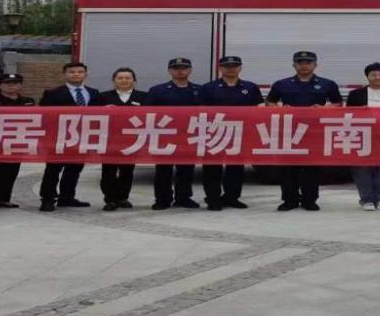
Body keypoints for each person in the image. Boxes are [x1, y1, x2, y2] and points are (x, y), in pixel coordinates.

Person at [266, 51, 343, 212]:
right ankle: (289, 200)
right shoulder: (282, 84)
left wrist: (324, 108)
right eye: (300, 62)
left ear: (315, 65)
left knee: (312, 167)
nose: (304, 65)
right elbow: (270, 103)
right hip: (289, 131)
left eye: (308, 62)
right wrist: (281, 109)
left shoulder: (328, 84)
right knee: (287, 168)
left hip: (314, 131)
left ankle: (310, 200)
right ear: (294, 65)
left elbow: (337, 103)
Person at [200, 56, 263, 210]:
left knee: (236, 168)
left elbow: (259, 109)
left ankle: (232, 198)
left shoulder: (250, 87)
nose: (230, 69)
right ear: (220, 68)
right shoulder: (208, 88)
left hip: (240, 133)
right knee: (212, 168)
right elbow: (200, 111)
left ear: (240, 68)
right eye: (227, 66)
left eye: (234, 66)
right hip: (214, 133)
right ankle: (213, 199)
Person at [38, 62, 100, 212]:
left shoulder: (94, 93)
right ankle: (47, 199)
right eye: (72, 72)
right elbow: (44, 116)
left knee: (74, 169)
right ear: (65, 74)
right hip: (58, 138)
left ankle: (67, 198)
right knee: (53, 170)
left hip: (83, 138)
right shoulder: (52, 93)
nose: (76, 74)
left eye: (80, 72)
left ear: (85, 74)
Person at [145, 58, 203, 210]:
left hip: (189, 135)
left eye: (184, 68)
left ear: (190, 70)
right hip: (165, 135)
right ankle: (162, 199)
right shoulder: (158, 90)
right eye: (176, 68)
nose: (180, 71)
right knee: (163, 170)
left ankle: (183, 198)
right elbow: (147, 113)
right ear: (169, 71)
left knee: (186, 169)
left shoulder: (199, 90)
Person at [346, 62, 380, 210]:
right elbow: (347, 115)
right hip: (362, 134)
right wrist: (359, 112)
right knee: (362, 167)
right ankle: (366, 199)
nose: (377, 77)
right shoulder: (356, 94)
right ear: (367, 76)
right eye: (373, 74)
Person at [0, 72, 35, 210]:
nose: (11, 86)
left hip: (16, 141)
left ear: (20, 85)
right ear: (0, 85)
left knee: (11, 171)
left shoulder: (28, 102)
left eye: (15, 83)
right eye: (7, 83)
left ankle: (4, 198)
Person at [94, 67, 145, 212]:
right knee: (108, 171)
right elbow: (91, 115)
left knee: (127, 171)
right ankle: (110, 199)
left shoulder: (143, 96)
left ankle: (123, 198)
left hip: (132, 140)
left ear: (134, 80)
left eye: (128, 78)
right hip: (109, 139)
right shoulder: (102, 97)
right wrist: (103, 110)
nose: (124, 81)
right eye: (120, 78)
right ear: (113, 80)